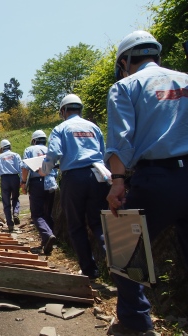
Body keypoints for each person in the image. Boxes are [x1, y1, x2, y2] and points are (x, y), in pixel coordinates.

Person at [105, 30, 188, 336]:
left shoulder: (125, 87)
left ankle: (135, 321)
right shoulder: (185, 78)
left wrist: (117, 182)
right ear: (156, 54)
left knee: (122, 245)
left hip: (155, 178)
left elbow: (121, 141)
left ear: (125, 61)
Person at [40, 94, 109, 279]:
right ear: (80, 109)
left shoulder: (61, 128)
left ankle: (90, 270)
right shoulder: (94, 127)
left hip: (74, 178)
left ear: (63, 111)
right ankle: (118, 266)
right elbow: (104, 152)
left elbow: (54, 152)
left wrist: (45, 169)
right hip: (98, 175)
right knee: (99, 224)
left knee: (76, 226)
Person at [21, 130, 58, 254]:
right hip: (51, 182)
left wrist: (23, 183)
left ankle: (48, 235)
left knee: (37, 214)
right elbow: (57, 166)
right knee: (48, 213)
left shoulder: (29, 150)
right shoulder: (50, 149)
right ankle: (48, 241)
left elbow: (25, 168)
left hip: (37, 183)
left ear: (34, 140)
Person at [0, 139, 22, 232]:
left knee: (6, 202)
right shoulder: (16, 155)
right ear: (10, 146)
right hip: (15, 178)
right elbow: (21, 168)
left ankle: (10, 224)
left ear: (1, 148)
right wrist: (22, 181)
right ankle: (16, 213)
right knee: (15, 198)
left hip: (4, 179)